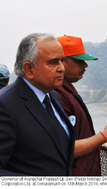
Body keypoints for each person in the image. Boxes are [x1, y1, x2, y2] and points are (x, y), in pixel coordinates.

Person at [55, 35, 107, 176]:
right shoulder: (58, 95)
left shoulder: (68, 91)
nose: (85, 65)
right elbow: (65, 149)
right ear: (61, 61)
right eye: (79, 61)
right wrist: (104, 136)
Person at [0, 33, 75, 176]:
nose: (61, 68)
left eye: (62, 61)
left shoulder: (53, 96)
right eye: (53, 62)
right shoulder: (5, 106)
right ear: (29, 69)